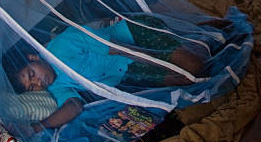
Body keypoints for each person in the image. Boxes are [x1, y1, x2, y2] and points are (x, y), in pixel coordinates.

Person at [11, 19, 204, 131]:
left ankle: (193, 38)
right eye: (33, 87)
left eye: (32, 74)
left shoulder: (62, 46)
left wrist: (160, 62)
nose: (38, 83)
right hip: (128, 71)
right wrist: (38, 127)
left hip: (134, 38)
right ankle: (188, 45)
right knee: (187, 79)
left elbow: (121, 49)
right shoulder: (55, 86)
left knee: (192, 68)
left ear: (34, 57)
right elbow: (73, 106)